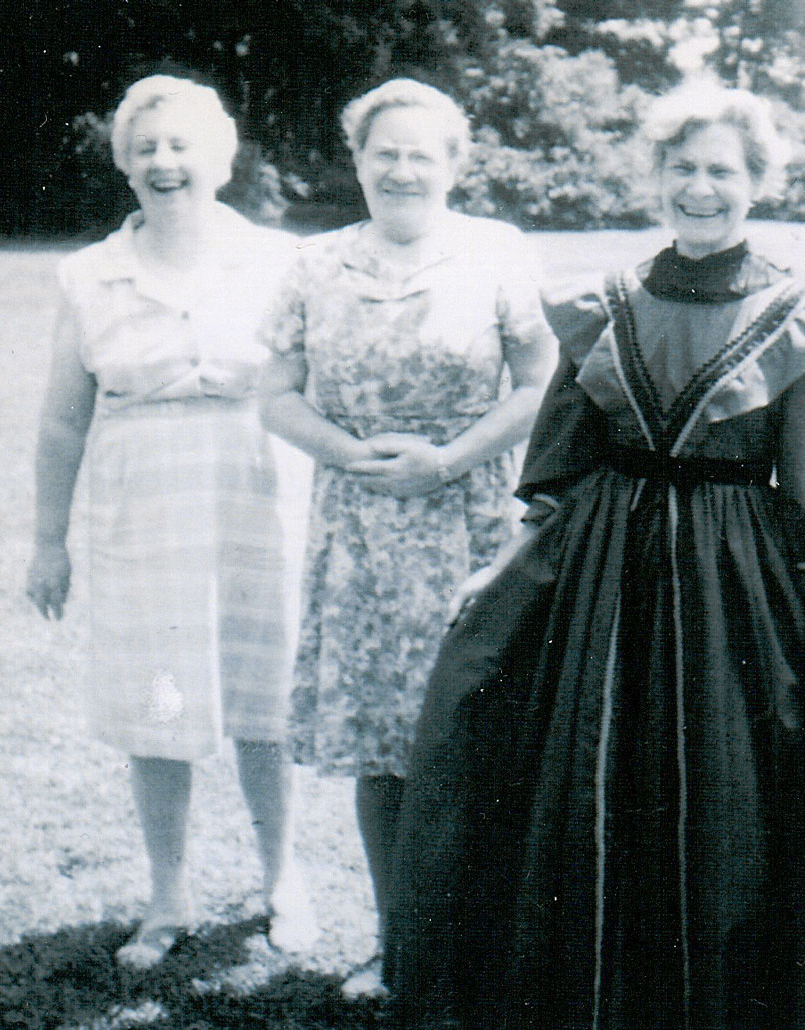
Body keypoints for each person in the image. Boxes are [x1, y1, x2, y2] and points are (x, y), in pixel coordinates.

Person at [383, 82, 805, 1029]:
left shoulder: (800, 315)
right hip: (600, 575)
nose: (701, 188)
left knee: (724, 799)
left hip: (734, 584)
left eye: (722, 171)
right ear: (655, 177)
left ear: (759, 183)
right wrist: (502, 567)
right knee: (585, 777)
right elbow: (560, 467)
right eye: (682, 168)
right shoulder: (602, 302)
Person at [258, 77, 558, 999]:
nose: (400, 169)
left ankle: (492, 942)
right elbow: (273, 395)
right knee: (384, 747)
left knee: (484, 733)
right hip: (361, 532)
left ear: (455, 165)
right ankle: (402, 942)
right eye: (382, 152)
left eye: (421, 153)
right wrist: (349, 454)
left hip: (474, 524)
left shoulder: (496, 252)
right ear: (356, 162)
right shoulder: (313, 265)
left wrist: (451, 457)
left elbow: (541, 382)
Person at [25, 74, 315, 970]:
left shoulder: (283, 264)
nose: (164, 162)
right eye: (145, 148)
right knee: (160, 701)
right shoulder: (88, 274)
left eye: (182, 145)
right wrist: (47, 541)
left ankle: (282, 882)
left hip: (258, 498)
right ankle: (169, 892)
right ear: (123, 165)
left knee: (265, 703)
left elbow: (316, 386)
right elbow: (62, 420)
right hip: (142, 510)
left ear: (222, 159)